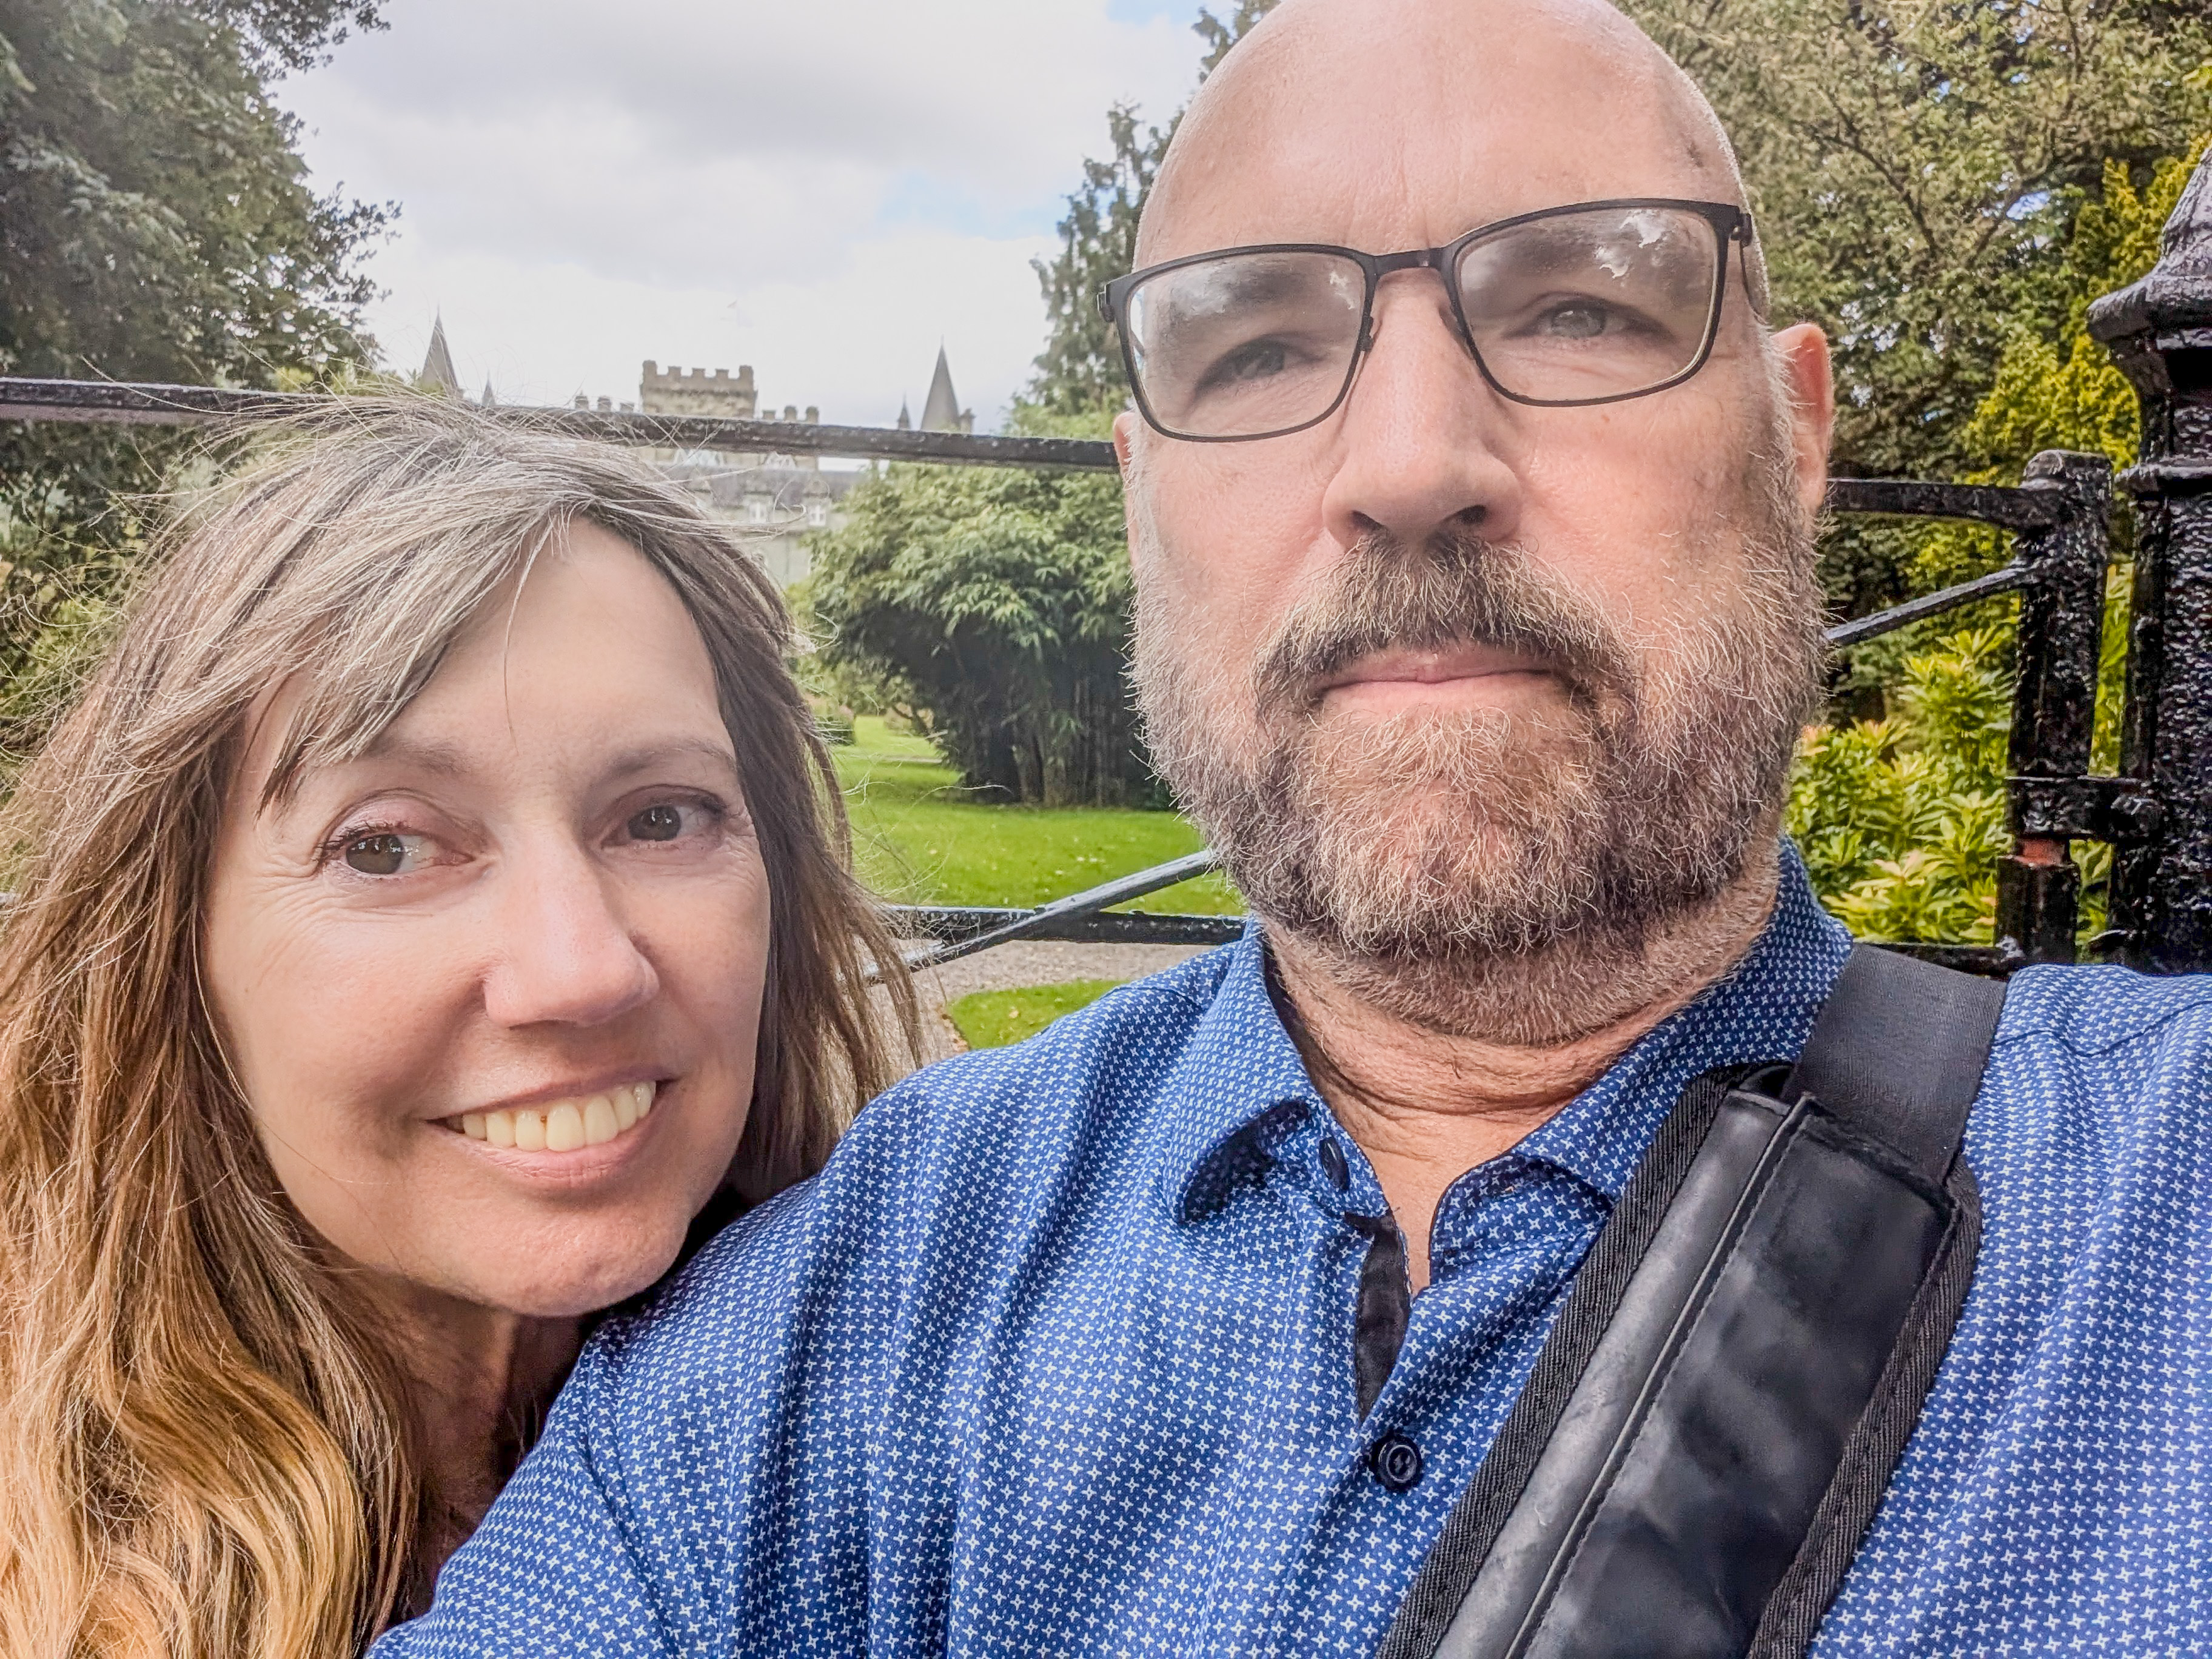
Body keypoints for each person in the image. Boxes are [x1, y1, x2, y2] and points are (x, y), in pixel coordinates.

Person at [378, 1, 2212, 1654]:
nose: (1410, 462)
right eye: (1257, 348)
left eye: (1579, 307)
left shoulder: (2161, 1210)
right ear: (1141, 503)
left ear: (1795, 438)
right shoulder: (862, 1294)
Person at [0, 401, 916, 1658]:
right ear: (169, 945)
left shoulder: (909, 1416)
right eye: (386, 846)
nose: (580, 972)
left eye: (662, 818)